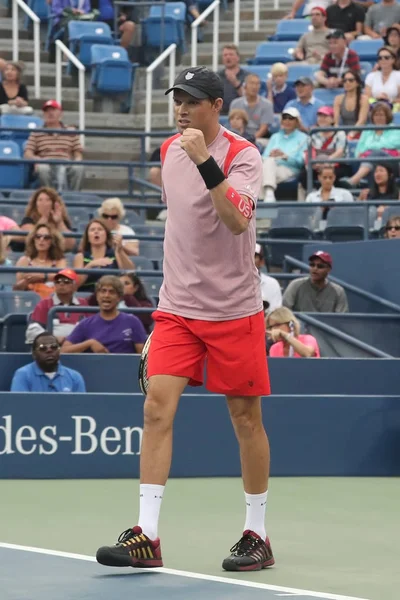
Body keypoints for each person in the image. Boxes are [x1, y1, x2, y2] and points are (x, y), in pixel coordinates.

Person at [96, 66, 275, 572]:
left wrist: (205, 162)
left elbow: (236, 219)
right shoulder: (168, 150)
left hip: (234, 310)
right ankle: (146, 536)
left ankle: (257, 533)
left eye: (192, 101)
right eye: (177, 99)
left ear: (216, 106)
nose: (181, 109)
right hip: (177, 309)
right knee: (157, 407)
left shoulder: (243, 155)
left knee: (246, 419)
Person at [62, 275, 146, 354]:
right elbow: (64, 350)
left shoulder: (132, 321)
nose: (106, 295)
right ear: (97, 296)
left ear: (119, 297)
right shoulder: (86, 324)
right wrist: (89, 343)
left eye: (112, 292)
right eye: (103, 291)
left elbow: (142, 356)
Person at [24, 100, 84, 192]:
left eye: (53, 110)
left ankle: (74, 196)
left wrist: (77, 161)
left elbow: (78, 153)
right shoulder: (36, 132)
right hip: (46, 162)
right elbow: (27, 153)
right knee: (42, 168)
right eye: (47, 111)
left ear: (60, 113)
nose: (50, 113)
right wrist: (37, 159)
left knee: (79, 167)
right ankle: (50, 196)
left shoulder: (71, 131)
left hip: (66, 163)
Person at [340, 102, 400, 188]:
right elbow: (359, 150)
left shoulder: (395, 129)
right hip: (371, 165)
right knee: (373, 159)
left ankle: (353, 181)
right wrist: (379, 148)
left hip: (392, 164)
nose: (379, 118)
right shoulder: (367, 130)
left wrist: (371, 149)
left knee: (376, 153)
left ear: (387, 116)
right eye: (376, 115)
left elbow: (395, 143)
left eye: (381, 115)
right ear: (372, 117)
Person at [26, 269, 88, 345]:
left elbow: (93, 328)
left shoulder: (84, 304)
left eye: (66, 281)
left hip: (79, 347)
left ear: (75, 286)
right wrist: (53, 338)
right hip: (51, 347)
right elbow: (32, 331)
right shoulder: (44, 304)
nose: (61, 284)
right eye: (58, 281)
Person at [10, 331, 86, 392]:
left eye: (54, 347)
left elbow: (81, 408)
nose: (49, 350)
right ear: (34, 354)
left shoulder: (75, 377)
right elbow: (19, 407)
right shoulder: (23, 375)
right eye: (43, 348)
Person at [73, 218, 134, 293]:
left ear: (106, 235)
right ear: (88, 237)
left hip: (112, 294)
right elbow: (76, 284)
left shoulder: (116, 253)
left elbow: (130, 272)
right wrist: (90, 265)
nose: (96, 232)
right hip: (87, 296)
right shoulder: (80, 256)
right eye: (92, 230)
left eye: (100, 229)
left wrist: (120, 250)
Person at [262, 107, 308, 202]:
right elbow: (264, 157)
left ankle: (265, 199)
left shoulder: (304, 138)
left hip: (290, 169)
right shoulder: (275, 137)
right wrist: (271, 155)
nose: (287, 121)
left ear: (297, 121)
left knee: (262, 173)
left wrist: (284, 156)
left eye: (291, 118)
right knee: (267, 164)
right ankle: (269, 194)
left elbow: (300, 162)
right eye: (285, 118)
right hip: (271, 167)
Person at [299, 106, 348, 189]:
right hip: (318, 164)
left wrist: (325, 163)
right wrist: (315, 163)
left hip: (337, 164)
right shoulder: (313, 133)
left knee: (330, 174)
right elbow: (310, 151)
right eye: (320, 116)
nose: (321, 119)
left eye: (325, 116)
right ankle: (314, 195)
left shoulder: (340, 133)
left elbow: (339, 152)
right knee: (304, 175)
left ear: (332, 119)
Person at [283, 251, 349, 312]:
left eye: (320, 266)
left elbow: (342, 320)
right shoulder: (296, 285)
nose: (315, 269)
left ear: (328, 269)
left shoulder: (338, 291)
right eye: (312, 265)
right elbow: (284, 313)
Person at [14, 224, 67, 299]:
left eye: (46, 237)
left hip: (52, 302)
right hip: (28, 301)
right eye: (38, 237)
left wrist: (41, 277)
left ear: (53, 241)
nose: (41, 240)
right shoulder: (24, 260)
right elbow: (16, 289)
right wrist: (27, 281)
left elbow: (62, 278)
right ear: (33, 239)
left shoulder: (59, 260)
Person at [16, 187, 75, 252]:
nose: (43, 203)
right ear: (35, 204)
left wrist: (59, 222)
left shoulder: (63, 222)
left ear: (54, 204)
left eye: (48, 200)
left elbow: (70, 246)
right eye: (40, 200)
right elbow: (30, 239)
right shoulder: (28, 220)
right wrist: (45, 216)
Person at [229, 73, 274, 143]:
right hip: (238, 136)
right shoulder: (235, 103)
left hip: (258, 138)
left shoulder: (267, 104)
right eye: (252, 83)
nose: (254, 87)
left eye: (257, 84)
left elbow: (264, 129)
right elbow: (232, 124)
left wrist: (249, 140)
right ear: (245, 86)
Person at [333, 70, 369, 135]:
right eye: (345, 80)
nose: (347, 82)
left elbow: (361, 121)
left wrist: (351, 134)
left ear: (357, 83)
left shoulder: (364, 99)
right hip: (344, 134)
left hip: (361, 134)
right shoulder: (338, 99)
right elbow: (336, 122)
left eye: (351, 80)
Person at [218, 45, 248, 115]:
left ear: (238, 58)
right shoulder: (216, 77)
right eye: (225, 55)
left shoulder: (247, 76)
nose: (228, 57)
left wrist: (236, 83)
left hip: (242, 114)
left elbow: (248, 98)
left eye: (231, 54)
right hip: (221, 114)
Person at [255, 244, 282, 314]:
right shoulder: (234, 283)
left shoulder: (272, 283)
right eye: (246, 256)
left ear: (262, 262)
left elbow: (276, 313)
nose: (249, 259)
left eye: (254, 256)